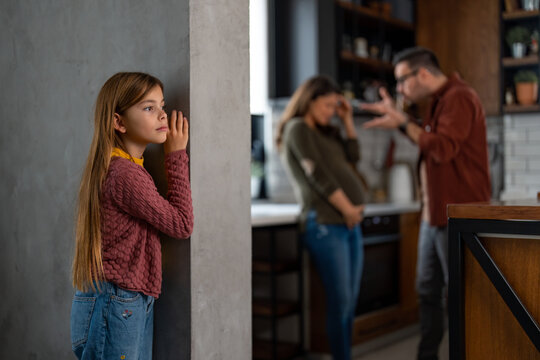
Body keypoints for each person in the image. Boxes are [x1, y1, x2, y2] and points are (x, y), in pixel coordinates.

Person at [361, 47, 491, 360]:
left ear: (422, 73)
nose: (401, 89)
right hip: (433, 216)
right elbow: (432, 144)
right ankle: (427, 355)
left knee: (460, 297)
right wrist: (404, 120)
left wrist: (403, 123)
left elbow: (443, 149)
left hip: (458, 216)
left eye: (402, 81)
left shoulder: (459, 97)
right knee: (428, 292)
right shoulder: (438, 102)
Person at [70, 72, 194, 360]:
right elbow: (181, 225)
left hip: (120, 300)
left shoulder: (126, 166)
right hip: (116, 302)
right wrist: (175, 155)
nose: (163, 115)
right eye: (149, 108)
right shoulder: (125, 174)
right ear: (119, 122)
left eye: (161, 105)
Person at [277, 75, 365, 360]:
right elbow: (318, 177)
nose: (331, 111)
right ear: (310, 101)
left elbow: (354, 155)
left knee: (349, 303)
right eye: (327, 105)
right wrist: (348, 209)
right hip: (326, 223)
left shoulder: (327, 132)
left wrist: (347, 120)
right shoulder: (298, 128)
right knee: (339, 304)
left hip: (346, 223)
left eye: (334, 106)